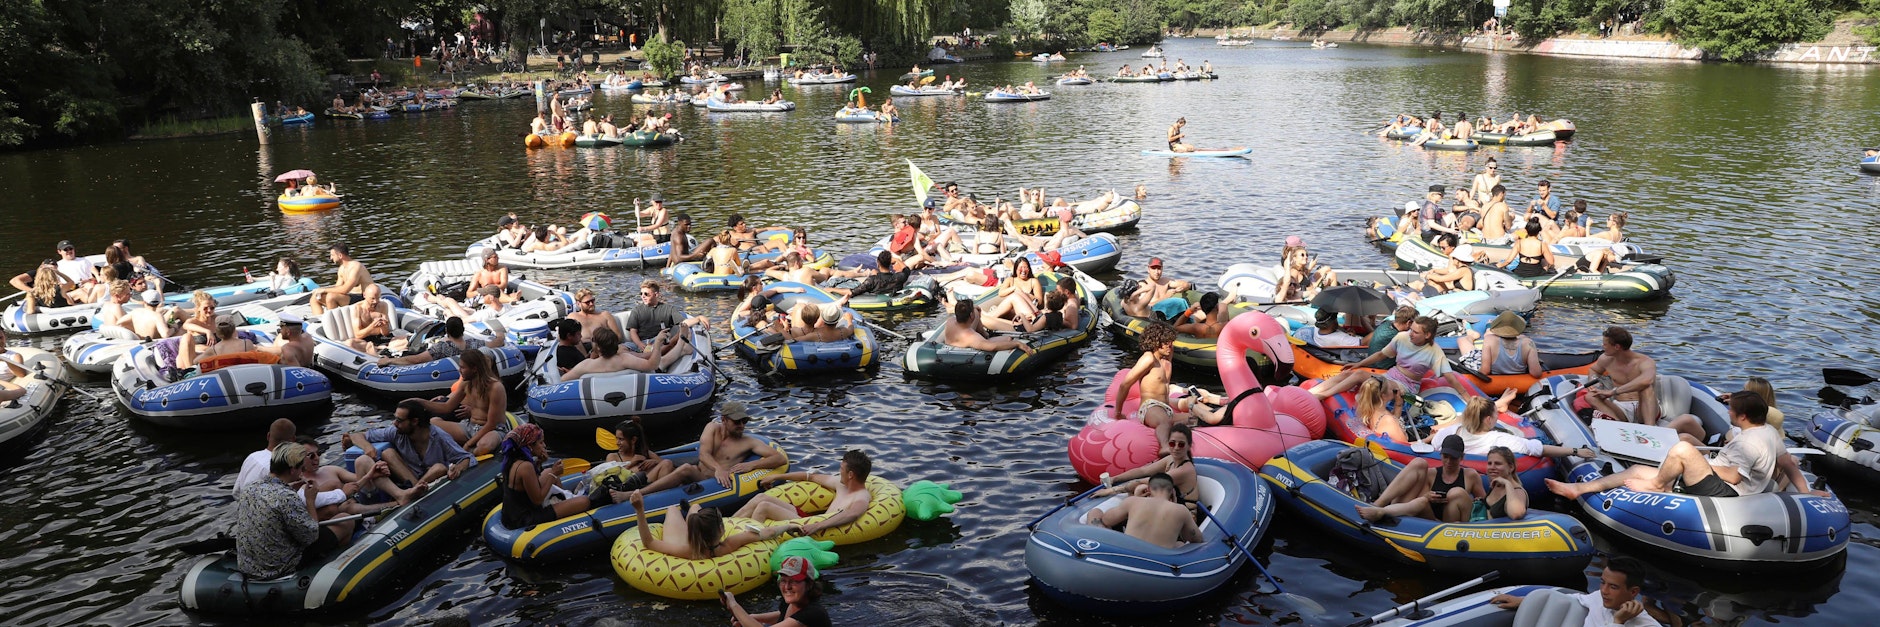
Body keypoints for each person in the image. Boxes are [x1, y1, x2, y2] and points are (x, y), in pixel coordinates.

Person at [1546, 394, 1824, 499]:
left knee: (1682, 450)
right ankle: (1578, 489)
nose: (1727, 413)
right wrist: (1806, 492)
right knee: (1644, 468)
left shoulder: (1748, 442)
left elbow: (1734, 475)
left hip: (1728, 491)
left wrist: (1699, 464)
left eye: (1731, 410)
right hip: (1733, 483)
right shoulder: (1768, 432)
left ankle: (1660, 486)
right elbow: (1787, 463)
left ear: (1741, 417)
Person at [233, 443, 358, 580]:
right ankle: (331, 566)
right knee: (345, 519)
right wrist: (310, 500)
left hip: (249, 565)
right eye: (301, 469)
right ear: (292, 470)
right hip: (279, 567)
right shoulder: (286, 496)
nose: (301, 473)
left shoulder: (251, 487)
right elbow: (311, 536)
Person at [1310, 316, 1476, 400]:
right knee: (1350, 373)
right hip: (1391, 375)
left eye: (1416, 332)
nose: (1411, 334)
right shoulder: (1402, 337)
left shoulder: (1434, 351)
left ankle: (1322, 396)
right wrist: (1358, 363)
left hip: (1407, 387)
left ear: (1427, 335)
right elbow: (1382, 354)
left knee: (1360, 376)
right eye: (1411, 329)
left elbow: (1449, 377)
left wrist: (1466, 397)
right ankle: (1311, 393)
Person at [346, 398, 476, 505]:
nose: (394, 423)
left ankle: (413, 492)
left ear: (414, 421)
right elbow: (356, 435)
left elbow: (467, 458)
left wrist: (458, 468)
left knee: (439, 468)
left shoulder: (439, 437)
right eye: (395, 418)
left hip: (432, 479)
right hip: (408, 478)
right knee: (387, 453)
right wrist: (368, 447)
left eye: (399, 420)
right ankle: (412, 491)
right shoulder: (395, 431)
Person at [497, 424, 625, 529]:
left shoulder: (513, 461)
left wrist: (541, 463)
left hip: (514, 513)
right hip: (525, 518)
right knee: (584, 501)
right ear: (530, 446)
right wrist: (554, 473)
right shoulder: (525, 467)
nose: (544, 446)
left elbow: (528, 486)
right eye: (541, 443)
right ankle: (569, 506)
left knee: (547, 472)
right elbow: (537, 499)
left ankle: (565, 502)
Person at [735, 450, 875, 538]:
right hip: (808, 518)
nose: (840, 472)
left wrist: (817, 526)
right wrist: (776, 477)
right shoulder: (840, 484)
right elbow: (810, 477)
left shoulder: (861, 496)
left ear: (850, 474)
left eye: (841, 468)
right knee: (761, 498)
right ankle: (727, 524)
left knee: (764, 506)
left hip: (814, 527)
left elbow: (853, 514)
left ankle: (746, 540)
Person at [1490, 557, 1661, 627]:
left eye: (1613, 587)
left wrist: (1618, 622)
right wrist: (1521, 600)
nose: (1603, 591)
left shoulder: (1647, 625)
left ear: (1633, 591)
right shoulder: (1596, 598)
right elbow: (1574, 597)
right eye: (1602, 583)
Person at [1359, 434, 1482, 523]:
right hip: (1430, 520)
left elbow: (1483, 503)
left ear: (1462, 457)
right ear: (1441, 455)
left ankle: (1383, 510)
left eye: (1453, 458)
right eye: (1446, 457)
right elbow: (1418, 504)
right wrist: (1428, 497)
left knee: (1457, 493)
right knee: (1419, 463)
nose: (1449, 462)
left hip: (1454, 524)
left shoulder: (1471, 476)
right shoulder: (1431, 475)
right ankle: (1378, 505)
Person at [1433, 397, 1591, 459]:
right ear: (1488, 419)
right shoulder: (1498, 440)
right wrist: (1575, 451)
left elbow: (1435, 446)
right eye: (1496, 415)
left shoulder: (1451, 432)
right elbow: (1538, 448)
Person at [1082, 473, 1204, 549]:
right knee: (1179, 545)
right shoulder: (1181, 510)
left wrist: (1133, 500)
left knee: (1095, 513)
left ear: (1148, 489)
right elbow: (1196, 539)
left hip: (1128, 556)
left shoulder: (1133, 501)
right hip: (1160, 562)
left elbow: (1106, 520)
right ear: (1172, 491)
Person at [601, 418, 708, 496]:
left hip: (652, 487)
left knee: (667, 463)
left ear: (633, 440)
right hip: (629, 487)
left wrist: (654, 462)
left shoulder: (646, 453)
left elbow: (670, 469)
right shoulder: (613, 456)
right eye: (617, 439)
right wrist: (632, 463)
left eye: (621, 439)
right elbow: (611, 479)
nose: (617, 443)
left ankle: (663, 497)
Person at [1116, 324, 1179, 453]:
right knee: (1164, 422)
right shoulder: (1148, 358)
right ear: (1156, 342)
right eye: (1166, 343)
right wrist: (1118, 412)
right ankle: (1164, 447)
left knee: (1194, 418)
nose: (1170, 346)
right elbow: (1125, 384)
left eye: (1171, 342)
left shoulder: (1165, 360)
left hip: (1165, 408)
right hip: (1150, 407)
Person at [1098, 423, 1199, 504]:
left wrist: (1110, 491)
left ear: (1189, 446)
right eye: (1172, 443)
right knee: (1141, 490)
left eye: (1181, 445)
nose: (1176, 448)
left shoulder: (1184, 470)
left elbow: (1148, 481)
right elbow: (1143, 471)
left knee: (1140, 489)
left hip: (1185, 514)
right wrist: (1115, 478)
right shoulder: (1170, 459)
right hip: (1172, 506)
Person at [721, 555, 832, 627]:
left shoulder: (814, 613)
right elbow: (782, 616)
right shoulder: (790, 602)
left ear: (809, 584)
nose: (787, 587)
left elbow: (797, 619)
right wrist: (753, 617)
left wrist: (734, 604)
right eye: (783, 581)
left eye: (794, 581)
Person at [698, 402, 788, 487]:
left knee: (686, 470)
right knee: (685, 469)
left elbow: (780, 459)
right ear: (723, 420)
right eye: (737, 421)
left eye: (744, 421)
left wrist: (751, 465)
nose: (741, 425)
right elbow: (703, 454)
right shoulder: (712, 428)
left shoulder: (749, 442)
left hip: (717, 483)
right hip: (699, 474)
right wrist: (718, 469)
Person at [1586, 326, 1659, 426]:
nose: (1602, 346)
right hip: (1622, 408)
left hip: (1646, 408)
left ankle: (1651, 428)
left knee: (1645, 388)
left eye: (1605, 344)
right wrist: (1595, 385)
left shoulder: (1645, 361)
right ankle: (1618, 425)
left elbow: (1647, 381)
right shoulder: (1606, 359)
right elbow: (1594, 370)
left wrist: (1613, 391)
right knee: (1590, 396)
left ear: (1617, 347)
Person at [624, 282, 706, 363]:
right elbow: (633, 331)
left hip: (658, 341)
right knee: (620, 349)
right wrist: (639, 344)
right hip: (640, 342)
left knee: (660, 346)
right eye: (641, 293)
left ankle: (642, 358)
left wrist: (698, 318)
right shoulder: (637, 310)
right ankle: (638, 357)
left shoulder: (668, 309)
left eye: (646, 294)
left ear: (656, 295)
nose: (643, 296)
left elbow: (683, 323)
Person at [561, 327, 671, 380]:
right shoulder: (625, 359)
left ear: (597, 346)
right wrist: (657, 343)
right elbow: (653, 365)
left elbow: (564, 380)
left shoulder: (587, 365)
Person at [941, 298, 1037, 357]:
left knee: (977, 310)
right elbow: (992, 347)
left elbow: (970, 315)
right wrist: (1017, 344)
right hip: (966, 347)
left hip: (957, 339)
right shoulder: (972, 337)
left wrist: (975, 309)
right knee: (1008, 339)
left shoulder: (950, 321)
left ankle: (984, 333)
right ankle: (985, 334)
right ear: (971, 316)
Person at [310, 243, 373, 315]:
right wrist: (320, 291)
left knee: (331, 297)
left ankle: (333, 321)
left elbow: (345, 289)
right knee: (315, 297)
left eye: (332, 255)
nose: (331, 258)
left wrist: (324, 289)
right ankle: (319, 321)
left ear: (340, 255)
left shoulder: (356, 267)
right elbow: (338, 287)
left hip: (362, 297)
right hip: (349, 297)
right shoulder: (341, 268)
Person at [1122, 257, 1192, 318]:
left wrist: (1179, 289)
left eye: (1159, 268)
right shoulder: (1143, 285)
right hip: (1154, 317)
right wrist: (1166, 296)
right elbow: (1143, 306)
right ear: (1148, 269)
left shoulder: (1165, 281)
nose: (1157, 272)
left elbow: (1186, 284)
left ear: (1162, 269)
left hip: (1168, 314)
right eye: (1153, 268)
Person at [1295, 308, 1362, 347]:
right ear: (1333, 321)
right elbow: (1365, 342)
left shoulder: (1316, 331)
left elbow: (1334, 327)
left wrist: (1345, 332)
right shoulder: (1341, 339)